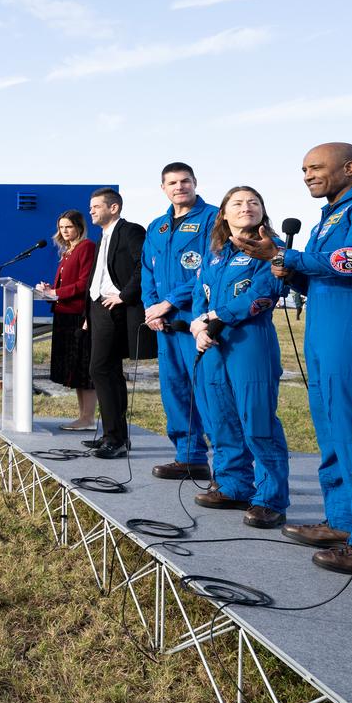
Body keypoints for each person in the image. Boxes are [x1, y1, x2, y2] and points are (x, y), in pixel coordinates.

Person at [235, 144, 352, 567]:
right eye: (304, 169)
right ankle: (344, 518)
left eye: (316, 167)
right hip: (322, 328)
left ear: (349, 167)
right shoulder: (328, 216)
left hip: (351, 331)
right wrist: (292, 272)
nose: (308, 175)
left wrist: (285, 256)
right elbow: (321, 274)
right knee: (331, 426)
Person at [189, 186, 289, 529]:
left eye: (254, 202)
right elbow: (198, 293)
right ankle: (234, 484)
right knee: (222, 417)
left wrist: (216, 318)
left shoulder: (273, 250)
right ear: (223, 214)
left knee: (257, 421)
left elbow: (265, 294)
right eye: (238, 203)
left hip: (250, 341)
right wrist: (199, 326)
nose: (247, 207)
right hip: (214, 344)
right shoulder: (214, 252)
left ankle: (270, 499)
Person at [139, 162, 219, 481]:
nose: (179, 187)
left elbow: (211, 269)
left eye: (185, 181)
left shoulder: (212, 218)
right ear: (163, 188)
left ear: (195, 183)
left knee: (207, 389)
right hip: (164, 324)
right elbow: (147, 270)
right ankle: (189, 456)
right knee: (174, 389)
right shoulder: (156, 226)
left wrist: (168, 303)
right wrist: (151, 308)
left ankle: (229, 465)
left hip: (195, 319)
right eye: (172, 182)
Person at [83, 188, 152, 458]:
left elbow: (143, 266)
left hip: (116, 308)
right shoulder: (103, 236)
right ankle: (114, 436)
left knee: (99, 369)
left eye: (96, 206)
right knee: (108, 372)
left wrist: (124, 295)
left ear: (114, 208)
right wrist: (89, 314)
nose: (91, 211)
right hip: (98, 308)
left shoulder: (131, 231)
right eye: (90, 207)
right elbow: (99, 275)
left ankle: (115, 438)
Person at [36, 210, 98, 429]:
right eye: (61, 227)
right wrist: (49, 291)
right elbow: (65, 285)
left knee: (83, 366)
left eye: (69, 227)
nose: (64, 231)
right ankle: (83, 416)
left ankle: (88, 417)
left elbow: (84, 284)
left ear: (79, 227)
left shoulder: (86, 247)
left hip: (78, 315)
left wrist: (57, 293)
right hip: (63, 314)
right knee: (74, 368)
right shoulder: (67, 252)